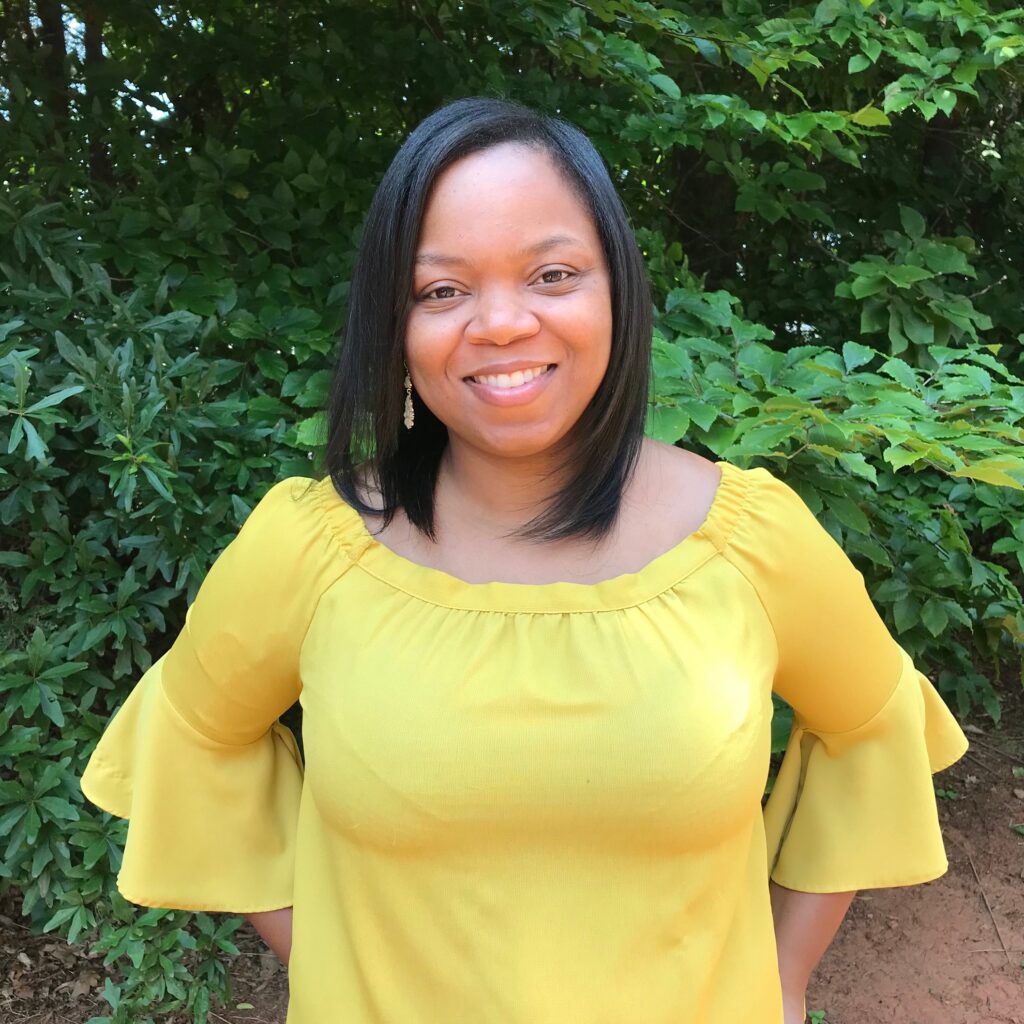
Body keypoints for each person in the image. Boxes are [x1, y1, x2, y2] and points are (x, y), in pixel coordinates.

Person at [80, 96, 969, 1024]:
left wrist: (782, 985)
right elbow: (190, 735)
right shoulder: (313, 547)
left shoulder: (750, 538)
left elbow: (872, 725)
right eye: (441, 290)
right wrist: (329, 962)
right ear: (397, 324)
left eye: (551, 273)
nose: (501, 324)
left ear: (616, 287)